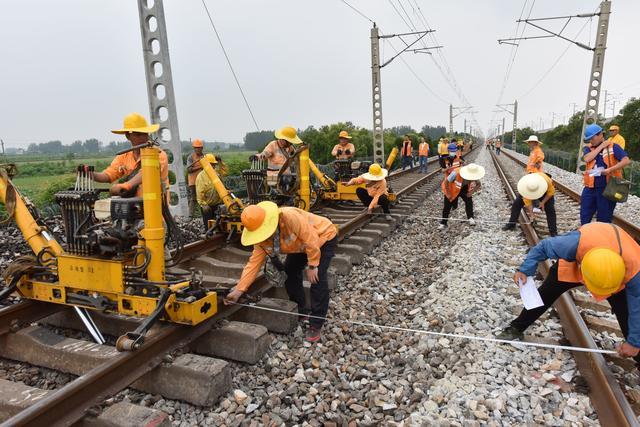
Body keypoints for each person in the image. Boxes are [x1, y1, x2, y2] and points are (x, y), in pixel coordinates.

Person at [496, 222, 640, 362]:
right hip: (582, 257)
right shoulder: (573, 245)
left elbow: (637, 308)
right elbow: (543, 247)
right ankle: (516, 327)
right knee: (546, 293)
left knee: (625, 311)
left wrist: (634, 342)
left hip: (617, 276)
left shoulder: (635, 270)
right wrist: (525, 270)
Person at [223, 202, 337, 342]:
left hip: (322, 237)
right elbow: (253, 264)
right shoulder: (261, 241)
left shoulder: (290, 217)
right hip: (299, 246)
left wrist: (313, 266)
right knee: (290, 273)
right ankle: (302, 311)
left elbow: (310, 238)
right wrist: (239, 290)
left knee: (317, 278)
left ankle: (316, 322)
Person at [93, 113, 169, 199]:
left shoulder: (158, 154)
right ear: (128, 136)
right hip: (132, 206)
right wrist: (90, 174)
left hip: (156, 206)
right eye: (138, 134)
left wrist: (127, 185)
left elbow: (146, 172)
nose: (143, 138)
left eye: (145, 134)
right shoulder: (123, 157)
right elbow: (108, 175)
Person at [581, 124, 630, 225]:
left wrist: (609, 170)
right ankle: (585, 236)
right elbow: (587, 158)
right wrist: (601, 146)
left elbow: (626, 160)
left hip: (607, 188)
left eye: (592, 138)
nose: (591, 141)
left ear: (600, 135)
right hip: (590, 188)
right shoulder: (588, 148)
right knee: (584, 215)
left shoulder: (613, 147)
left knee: (604, 218)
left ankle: (601, 238)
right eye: (589, 139)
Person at [438, 163, 484, 229]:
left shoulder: (473, 175)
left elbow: (478, 184)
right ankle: (443, 223)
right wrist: (448, 194)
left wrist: (471, 192)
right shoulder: (456, 173)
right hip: (451, 188)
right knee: (447, 205)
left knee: (469, 201)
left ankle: (470, 218)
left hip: (463, 188)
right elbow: (446, 182)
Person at [195, 156, 227, 231]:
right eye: (211, 164)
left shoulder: (216, 173)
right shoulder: (201, 177)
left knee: (219, 225)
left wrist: (220, 162)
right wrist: (203, 204)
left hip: (217, 204)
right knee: (209, 226)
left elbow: (224, 172)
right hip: (207, 206)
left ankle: (218, 238)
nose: (213, 166)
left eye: (214, 164)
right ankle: (209, 237)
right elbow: (199, 192)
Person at [186, 139, 205, 216]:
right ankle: (191, 216)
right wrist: (200, 166)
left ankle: (204, 214)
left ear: (202, 148)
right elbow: (189, 170)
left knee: (203, 198)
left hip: (203, 182)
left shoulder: (204, 157)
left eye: (199, 147)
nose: (197, 149)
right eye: (196, 148)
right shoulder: (190, 157)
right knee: (193, 199)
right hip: (193, 182)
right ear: (194, 148)